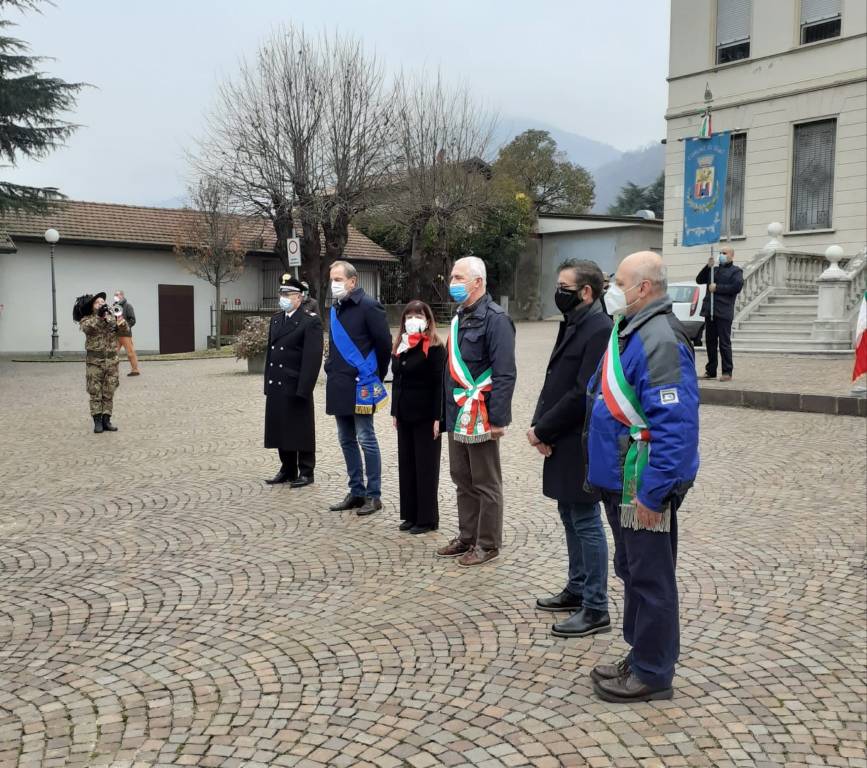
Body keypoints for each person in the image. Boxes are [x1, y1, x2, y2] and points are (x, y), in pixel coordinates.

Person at [586, 250, 699, 703]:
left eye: (620, 282)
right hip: (620, 478)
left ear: (644, 288)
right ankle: (641, 653)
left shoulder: (660, 339)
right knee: (633, 572)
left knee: (651, 578)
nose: (614, 288)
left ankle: (654, 673)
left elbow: (675, 427)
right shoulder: (630, 329)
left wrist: (654, 495)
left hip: (642, 485)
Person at [527, 259, 613, 638]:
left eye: (564, 286)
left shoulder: (598, 327)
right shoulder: (576, 321)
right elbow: (554, 379)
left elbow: (584, 392)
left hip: (581, 439)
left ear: (586, 292)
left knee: (585, 520)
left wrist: (544, 427)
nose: (558, 292)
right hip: (562, 436)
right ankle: (576, 588)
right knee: (568, 513)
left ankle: (595, 606)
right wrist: (540, 426)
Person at [437, 256, 516, 567]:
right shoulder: (460, 318)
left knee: (485, 481)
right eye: (452, 277)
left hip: (481, 415)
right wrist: (444, 416)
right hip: (458, 413)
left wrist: (498, 419)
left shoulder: (496, 320)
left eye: (458, 278)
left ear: (478, 282)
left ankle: (487, 543)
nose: (452, 283)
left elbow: (505, 372)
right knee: (462, 478)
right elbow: (450, 373)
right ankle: (467, 536)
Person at [325, 260, 392, 517]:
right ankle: (356, 491)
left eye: (339, 279)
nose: (334, 284)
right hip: (339, 384)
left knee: (366, 438)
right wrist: (330, 367)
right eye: (332, 280)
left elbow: (384, 344)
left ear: (353, 281)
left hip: (361, 384)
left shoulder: (369, 306)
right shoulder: (336, 308)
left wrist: (376, 375)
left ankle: (373, 495)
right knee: (345, 439)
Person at [391, 300, 446, 535]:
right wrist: (395, 411)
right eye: (409, 315)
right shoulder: (401, 345)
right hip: (404, 413)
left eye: (418, 315)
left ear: (427, 320)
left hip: (426, 415)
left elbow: (439, 385)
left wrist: (438, 417)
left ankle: (426, 518)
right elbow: (397, 381)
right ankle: (410, 514)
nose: (413, 320)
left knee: (425, 466)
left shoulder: (434, 348)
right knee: (407, 464)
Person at [264, 275, 324, 488]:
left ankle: (306, 470)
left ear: (299, 297)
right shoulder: (277, 319)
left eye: (288, 294)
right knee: (281, 426)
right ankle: (287, 468)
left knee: (301, 427)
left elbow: (312, 357)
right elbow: (270, 355)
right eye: (282, 294)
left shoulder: (310, 321)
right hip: (278, 383)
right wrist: (267, 383)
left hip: (296, 383)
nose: (284, 298)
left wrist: (304, 388)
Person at [74, 292, 123, 433]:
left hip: (112, 361)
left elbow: (124, 331)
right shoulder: (87, 319)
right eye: (97, 302)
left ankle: (106, 420)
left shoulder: (111, 317)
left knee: (109, 392)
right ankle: (97, 422)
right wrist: (101, 317)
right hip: (95, 362)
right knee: (95, 392)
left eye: (103, 302)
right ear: (92, 306)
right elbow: (89, 328)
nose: (101, 304)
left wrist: (121, 321)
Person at [696, 245, 743, 381]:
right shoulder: (713, 270)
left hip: (723, 311)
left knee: (724, 342)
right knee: (710, 342)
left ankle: (727, 372)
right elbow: (699, 280)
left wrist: (718, 288)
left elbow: (736, 287)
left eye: (724, 253)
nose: (721, 254)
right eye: (720, 252)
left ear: (731, 255)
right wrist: (707, 266)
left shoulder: (736, 271)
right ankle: (711, 371)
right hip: (710, 311)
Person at [112, 290, 141, 376]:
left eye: (117, 295)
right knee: (113, 353)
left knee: (130, 353)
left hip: (125, 334)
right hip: (116, 334)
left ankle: (135, 370)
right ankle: (113, 371)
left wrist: (125, 326)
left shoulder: (128, 306)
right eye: (115, 295)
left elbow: (133, 320)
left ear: (122, 295)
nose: (115, 296)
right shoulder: (114, 307)